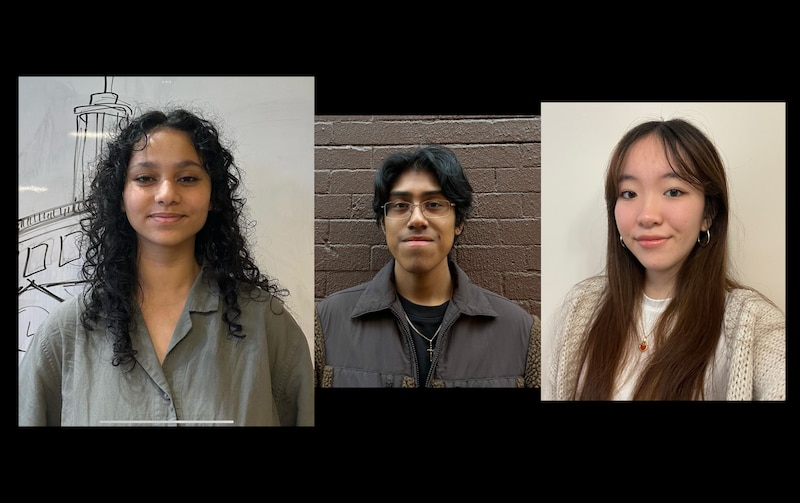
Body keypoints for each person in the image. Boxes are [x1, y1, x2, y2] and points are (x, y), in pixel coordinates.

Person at [18, 108, 315, 425]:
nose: (167, 194)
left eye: (187, 178)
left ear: (213, 195)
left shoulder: (268, 326)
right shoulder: (66, 335)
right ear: (120, 195)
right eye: (145, 178)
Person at [544, 118, 785, 401]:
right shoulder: (580, 310)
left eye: (673, 191)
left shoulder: (754, 327)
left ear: (708, 214)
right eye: (629, 193)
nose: (647, 215)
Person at [314, 144, 540, 388]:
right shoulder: (327, 324)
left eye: (433, 204)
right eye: (400, 205)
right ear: (383, 223)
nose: (417, 219)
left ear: (458, 222)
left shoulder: (519, 332)